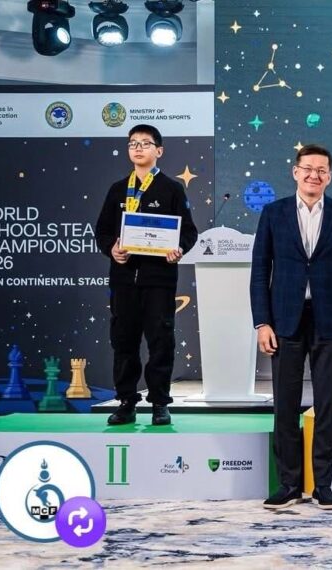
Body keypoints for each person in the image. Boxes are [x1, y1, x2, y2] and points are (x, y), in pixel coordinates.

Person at [250, 144, 332, 511]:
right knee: (285, 405)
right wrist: (262, 322)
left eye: (321, 170)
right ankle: (289, 485)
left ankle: (323, 485)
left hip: (331, 321)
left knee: (327, 405)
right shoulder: (273, 213)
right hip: (284, 320)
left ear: (329, 176)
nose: (314, 175)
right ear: (295, 171)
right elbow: (259, 271)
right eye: (308, 168)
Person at [96, 124, 197, 427]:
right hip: (124, 280)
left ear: (159, 151)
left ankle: (160, 403)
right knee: (123, 342)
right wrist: (111, 249)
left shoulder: (172, 189)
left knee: (160, 342)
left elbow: (189, 231)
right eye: (132, 143)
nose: (138, 148)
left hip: (159, 281)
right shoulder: (117, 189)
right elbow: (102, 231)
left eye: (145, 143)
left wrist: (178, 248)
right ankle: (126, 402)